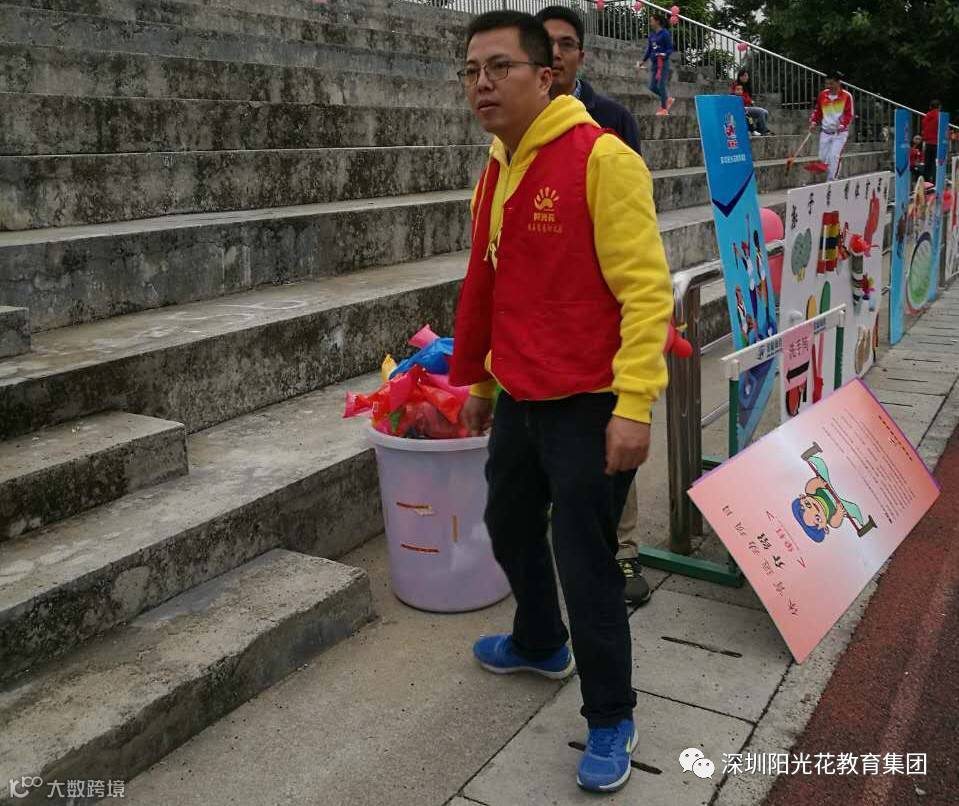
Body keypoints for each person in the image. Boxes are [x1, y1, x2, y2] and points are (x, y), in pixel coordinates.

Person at [452, 10, 672, 793]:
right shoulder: (495, 164)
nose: (481, 83)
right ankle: (540, 642)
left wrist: (634, 405)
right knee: (508, 523)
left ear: (546, 76)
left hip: (589, 401)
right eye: (470, 71)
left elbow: (645, 291)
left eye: (499, 67)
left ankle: (610, 716)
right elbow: (494, 283)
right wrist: (482, 383)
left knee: (585, 563)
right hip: (519, 392)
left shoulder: (602, 159)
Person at [534, 5, 651, 606]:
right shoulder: (517, 121)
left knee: (607, 443)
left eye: (566, 44)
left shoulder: (612, 119)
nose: (555, 54)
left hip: (598, 312)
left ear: (582, 54)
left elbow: (632, 217)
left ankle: (623, 551)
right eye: (545, 44)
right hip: (542, 319)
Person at [809, 71, 854, 181]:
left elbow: (849, 114)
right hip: (825, 132)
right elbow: (818, 111)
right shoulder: (823, 95)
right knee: (822, 158)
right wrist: (814, 122)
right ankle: (828, 177)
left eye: (831, 83)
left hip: (839, 133)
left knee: (834, 156)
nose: (829, 86)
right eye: (827, 83)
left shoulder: (846, 96)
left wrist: (842, 125)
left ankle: (832, 180)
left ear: (838, 83)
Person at [640, 13, 674, 116]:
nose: (650, 23)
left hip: (663, 63)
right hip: (654, 63)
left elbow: (670, 48)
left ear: (657, 21)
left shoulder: (665, 33)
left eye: (652, 20)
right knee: (652, 86)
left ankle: (664, 109)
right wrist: (643, 60)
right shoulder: (652, 35)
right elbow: (649, 49)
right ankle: (667, 99)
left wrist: (664, 54)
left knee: (661, 85)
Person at [731, 68, 771, 136]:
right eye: (744, 75)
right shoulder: (737, 85)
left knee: (765, 112)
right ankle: (764, 130)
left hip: (747, 107)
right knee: (762, 112)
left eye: (747, 75)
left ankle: (759, 129)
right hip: (741, 107)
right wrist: (749, 101)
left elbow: (747, 98)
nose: (746, 77)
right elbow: (736, 97)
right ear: (740, 77)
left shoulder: (747, 86)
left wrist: (750, 101)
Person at [921, 100, 941, 183]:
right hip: (937, 142)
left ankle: (926, 182)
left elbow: (924, 126)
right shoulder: (940, 116)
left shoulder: (927, 116)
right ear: (939, 106)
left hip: (928, 142)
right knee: (936, 163)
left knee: (927, 163)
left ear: (930, 107)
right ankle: (935, 182)